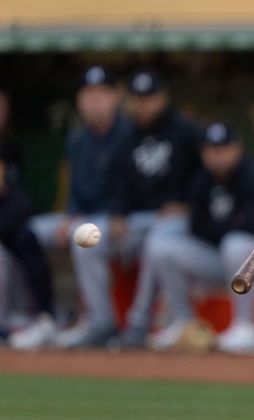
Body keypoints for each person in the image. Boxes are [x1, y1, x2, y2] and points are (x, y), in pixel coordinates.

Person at [71, 69, 201, 348]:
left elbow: (206, 175)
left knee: (158, 244)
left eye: (150, 97)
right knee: (86, 239)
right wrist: (117, 213)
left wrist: (186, 202)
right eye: (138, 98)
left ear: (163, 97)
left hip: (176, 221)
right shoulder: (127, 135)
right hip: (136, 220)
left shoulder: (185, 131)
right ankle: (101, 321)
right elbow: (117, 184)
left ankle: (138, 324)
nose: (144, 104)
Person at [147, 122, 254, 353]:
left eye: (223, 148)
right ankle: (183, 323)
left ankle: (246, 328)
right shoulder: (203, 179)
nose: (218, 156)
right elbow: (196, 227)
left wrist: (220, 228)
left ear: (237, 148)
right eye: (212, 150)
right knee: (163, 248)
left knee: (235, 244)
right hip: (224, 259)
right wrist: (228, 225)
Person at [24, 66, 133, 347]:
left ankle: (101, 323)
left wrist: (115, 213)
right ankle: (45, 315)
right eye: (88, 94)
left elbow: (130, 188)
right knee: (27, 232)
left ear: (115, 97)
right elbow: (75, 189)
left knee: (86, 237)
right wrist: (70, 215)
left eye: (101, 93)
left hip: (120, 219)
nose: (94, 101)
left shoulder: (129, 134)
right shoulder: (78, 139)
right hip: (84, 215)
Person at [0, 147, 57, 349]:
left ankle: (44, 316)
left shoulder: (15, 197)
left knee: (26, 239)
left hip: (15, 267)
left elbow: (21, 212)